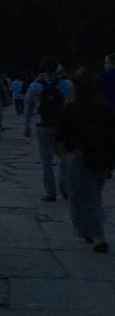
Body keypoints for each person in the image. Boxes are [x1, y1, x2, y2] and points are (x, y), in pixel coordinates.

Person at [57, 65, 115, 253]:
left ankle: (95, 233)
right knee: (94, 195)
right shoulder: (105, 108)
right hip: (102, 156)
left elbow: (62, 134)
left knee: (81, 197)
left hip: (80, 155)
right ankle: (91, 230)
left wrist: (62, 153)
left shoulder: (72, 108)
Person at [25, 56, 74, 202]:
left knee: (46, 160)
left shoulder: (35, 86)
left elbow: (29, 107)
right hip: (61, 124)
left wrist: (27, 125)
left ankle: (50, 192)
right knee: (63, 158)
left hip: (42, 124)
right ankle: (64, 187)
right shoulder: (66, 84)